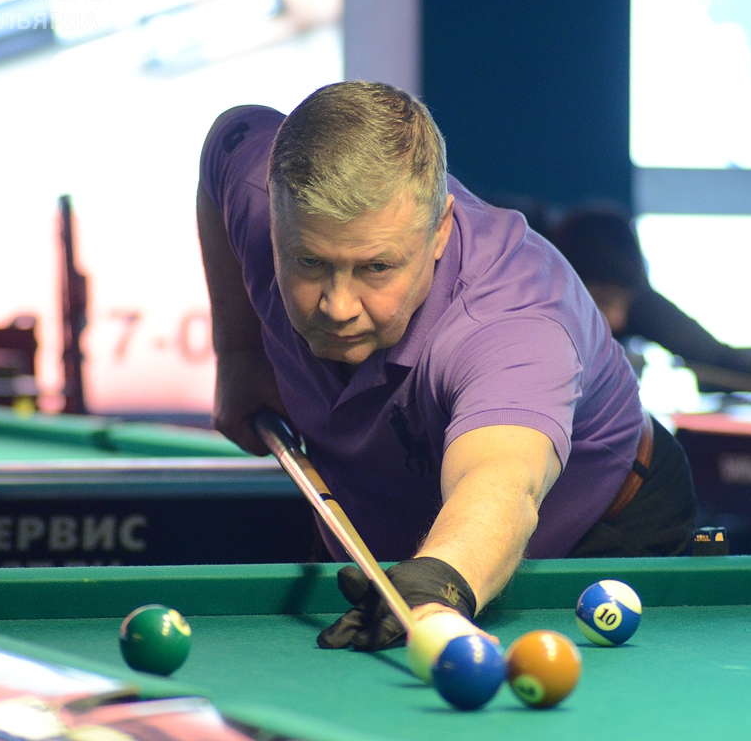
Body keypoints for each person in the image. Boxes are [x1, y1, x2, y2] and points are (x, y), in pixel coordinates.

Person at [196, 82, 697, 652]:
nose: (337, 307)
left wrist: (439, 581)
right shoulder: (257, 186)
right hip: (379, 545)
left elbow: (502, 482)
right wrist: (238, 354)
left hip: (593, 535)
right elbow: (223, 145)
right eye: (310, 262)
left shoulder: (513, 318)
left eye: (376, 268)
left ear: (438, 232)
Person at [551, 212, 751, 403]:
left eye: (624, 303)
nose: (618, 319)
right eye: (602, 301)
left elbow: (713, 355)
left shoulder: (634, 297)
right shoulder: (539, 305)